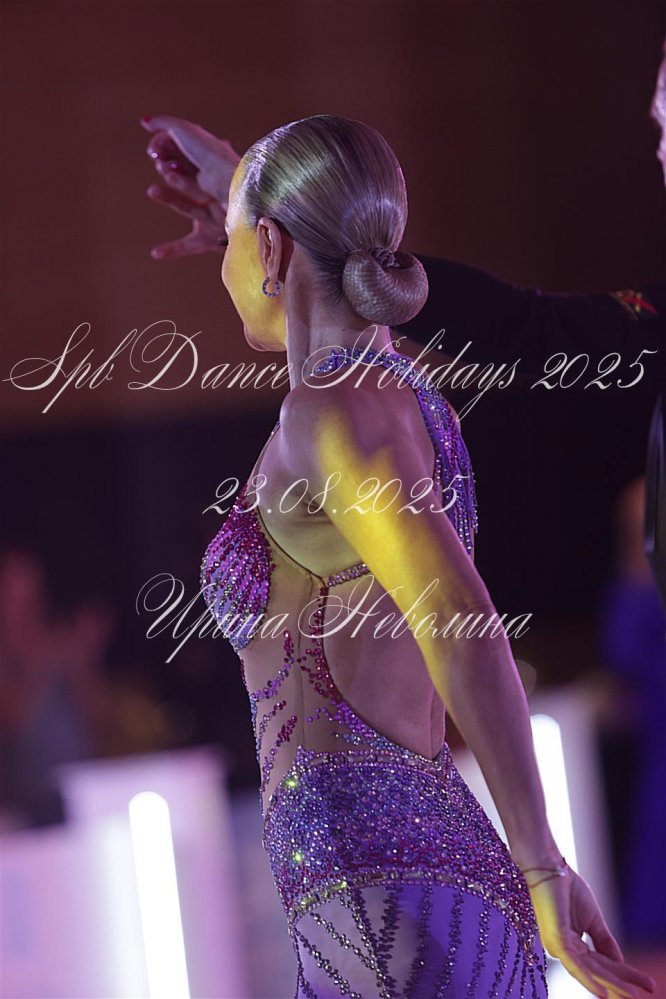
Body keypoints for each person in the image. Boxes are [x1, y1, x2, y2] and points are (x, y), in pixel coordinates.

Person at [145, 113, 655, 997]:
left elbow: (459, 618)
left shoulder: (333, 410)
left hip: (385, 905)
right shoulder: (400, 395)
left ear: (269, 247)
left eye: (233, 238)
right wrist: (243, 186)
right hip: (396, 892)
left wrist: (541, 862)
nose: (222, 267)